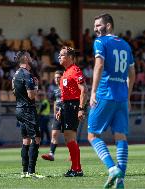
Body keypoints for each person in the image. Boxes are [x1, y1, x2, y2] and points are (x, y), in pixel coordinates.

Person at [87, 13, 135, 189]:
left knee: (92, 135)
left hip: (105, 94)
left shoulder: (100, 42)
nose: (95, 29)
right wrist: (128, 96)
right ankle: (121, 180)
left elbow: (99, 65)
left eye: (98, 25)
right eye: (94, 26)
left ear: (108, 26)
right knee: (120, 136)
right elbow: (132, 74)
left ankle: (112, 168)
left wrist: (92, 92)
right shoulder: (125, 45)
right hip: (122, 97)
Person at [11, 51, 44, 179]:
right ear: (25, 58)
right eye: (29, 56)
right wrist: (36, 85)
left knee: (26, 140)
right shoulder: (26, 74)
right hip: (28, 110)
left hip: (19, 109)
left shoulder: (16, 75)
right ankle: (32, 172)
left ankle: (25, 171)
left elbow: (15, 92)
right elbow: (31, 95)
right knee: (36, 138)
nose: (31, 57)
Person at [56, 46, 87, 177]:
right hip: (66, 106)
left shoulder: (75, 70)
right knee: (68, 137)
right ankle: (75, 168)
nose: (59, 57)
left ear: (70, 57)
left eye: (62, 55)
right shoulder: (66, 72)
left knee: (70, 136)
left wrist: (81, 108)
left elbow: (84, 90)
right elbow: (65, 94)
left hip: (73, 106)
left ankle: (77, 169)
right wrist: (60, 109)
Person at [41, 70, 63, 161]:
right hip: (57, 116)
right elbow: (55, 102)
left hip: (66, 114)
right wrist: (54, 114)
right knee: (54, 134)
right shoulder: (55, 90)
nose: (57, 79)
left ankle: (74, 155)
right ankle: (51, 154)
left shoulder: (66, 88)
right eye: (55, 77)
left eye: (58, 77)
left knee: (69, 136)